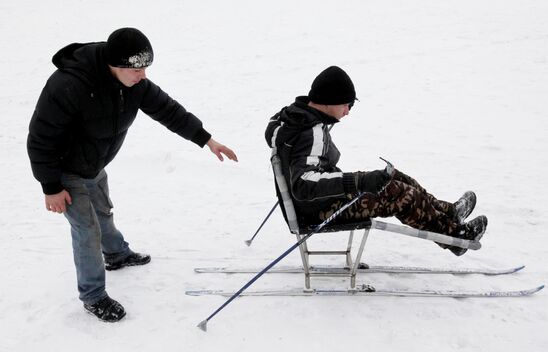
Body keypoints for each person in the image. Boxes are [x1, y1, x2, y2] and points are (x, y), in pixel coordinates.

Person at [27, 28, 238, 322]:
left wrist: (206, 139)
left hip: (94, 164)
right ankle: (93, 296)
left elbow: (168, 110)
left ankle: (116, 254)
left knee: (103, 212)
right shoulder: (68, 85)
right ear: (115, 65)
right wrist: (50, 187)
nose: (143, 75)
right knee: (86, 231)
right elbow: (40, 138)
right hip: (64, 170)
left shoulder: (134, 83)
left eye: (145, 68)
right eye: (137, 69)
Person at [265, 66, 487, 257]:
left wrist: (363, 180)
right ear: (329, 100)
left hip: (315, 202)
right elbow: (304, 184)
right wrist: (359, 182)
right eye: (347, 104)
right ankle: (455, 238)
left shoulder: (292, 119)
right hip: (320, 209)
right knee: (399, 195)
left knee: (392, 178)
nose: (348, 111)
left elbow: (294, 159)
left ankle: (448, 212)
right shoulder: (311, 131)